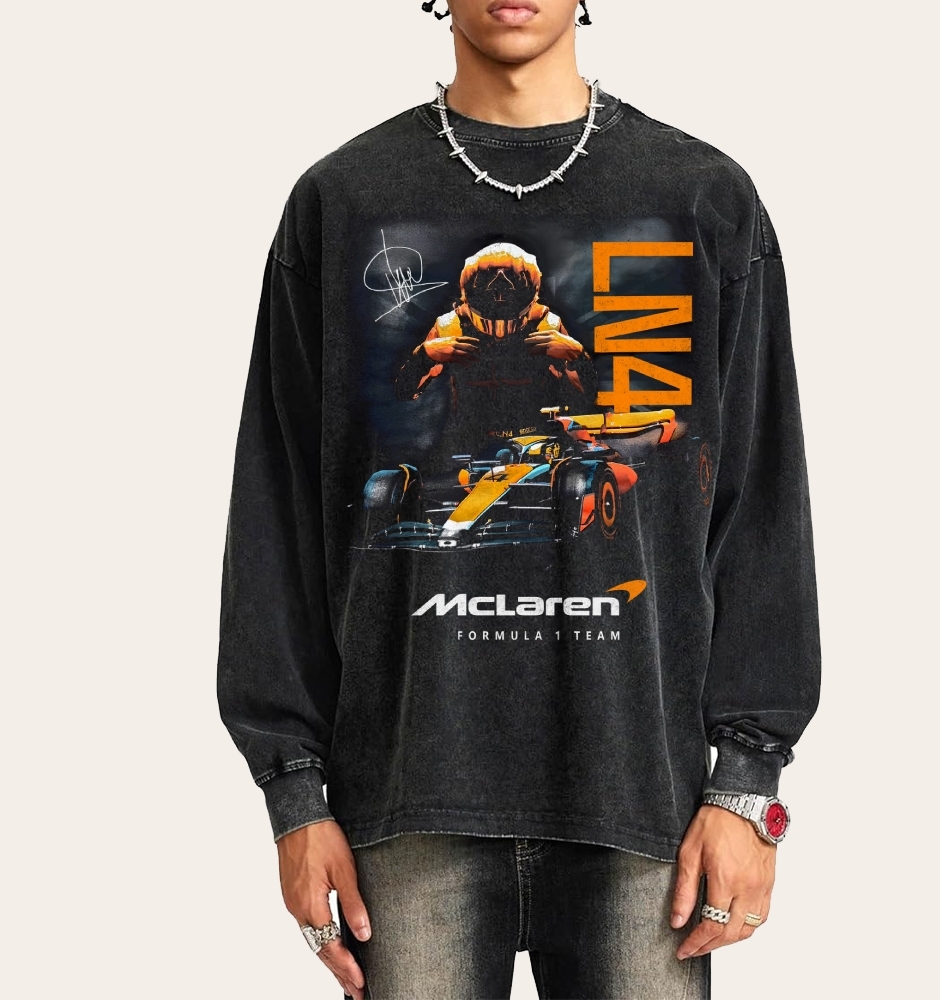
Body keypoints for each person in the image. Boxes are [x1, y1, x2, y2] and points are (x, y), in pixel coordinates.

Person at [216, 2, 821, 998]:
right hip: (407, 802)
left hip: (644, 803)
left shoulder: (700, 195)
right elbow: (278, 509)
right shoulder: (345, 199)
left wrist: (748, 785)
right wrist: (293, 794)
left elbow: (760, 504)